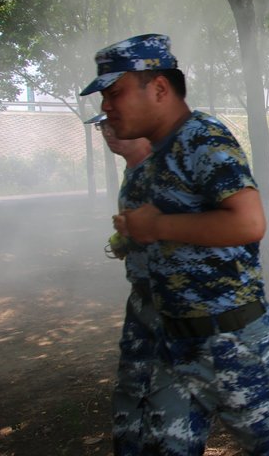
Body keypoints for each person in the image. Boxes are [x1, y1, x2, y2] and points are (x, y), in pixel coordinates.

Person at [81, 33, 269, 455]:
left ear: (158, 88)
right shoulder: (155, 156)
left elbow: (248, 222)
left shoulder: (202, 136)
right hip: (176, 343)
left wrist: (158, 226)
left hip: (231, 340)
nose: (106, 106)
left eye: (115, 92)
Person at [87, 113, 158, 455]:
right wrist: (125, 241)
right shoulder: (132, 172)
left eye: (115, 123)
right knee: (131, 387)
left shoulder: (163, 171)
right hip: (142, 299)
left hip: (176, 302)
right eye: (102, 127)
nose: (108, 133)